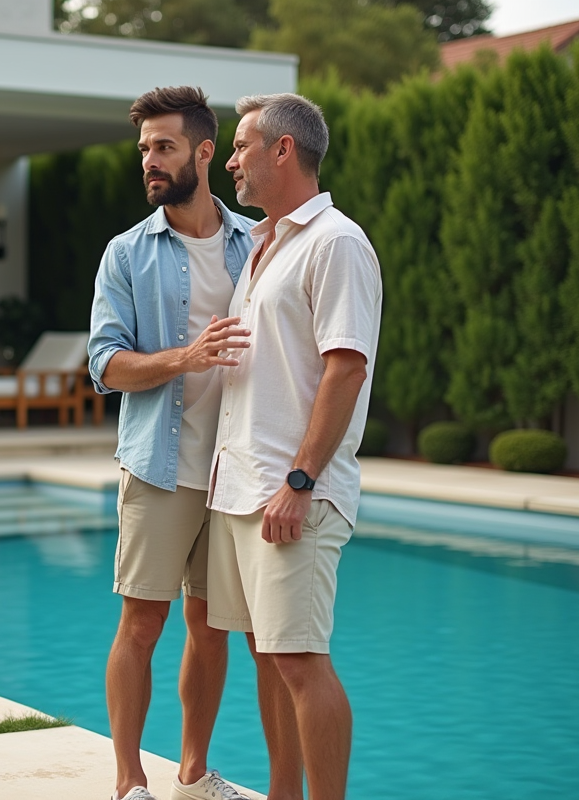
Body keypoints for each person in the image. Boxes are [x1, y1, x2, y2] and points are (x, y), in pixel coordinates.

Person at [207, 93, 382, 800]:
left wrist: (301, 481)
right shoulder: (265, 245)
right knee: (268, 656)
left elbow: (347, 368)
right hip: (243, 488)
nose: (230, 161)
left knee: (302, 661)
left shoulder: (336, 242)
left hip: (294, 494)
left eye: (240, 146)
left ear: (283, 149)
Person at [88, 86, 257, 800]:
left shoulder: (260, 243)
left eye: (164, 147)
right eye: (144, 149)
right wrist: (183, 359)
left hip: (235, 471)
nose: (149, 161)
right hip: (159, 467)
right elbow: (104, 364)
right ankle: (129, 783)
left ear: (205, 151)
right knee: (141, 622)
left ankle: (192, 772)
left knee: (212, 627)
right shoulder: (127, 252)